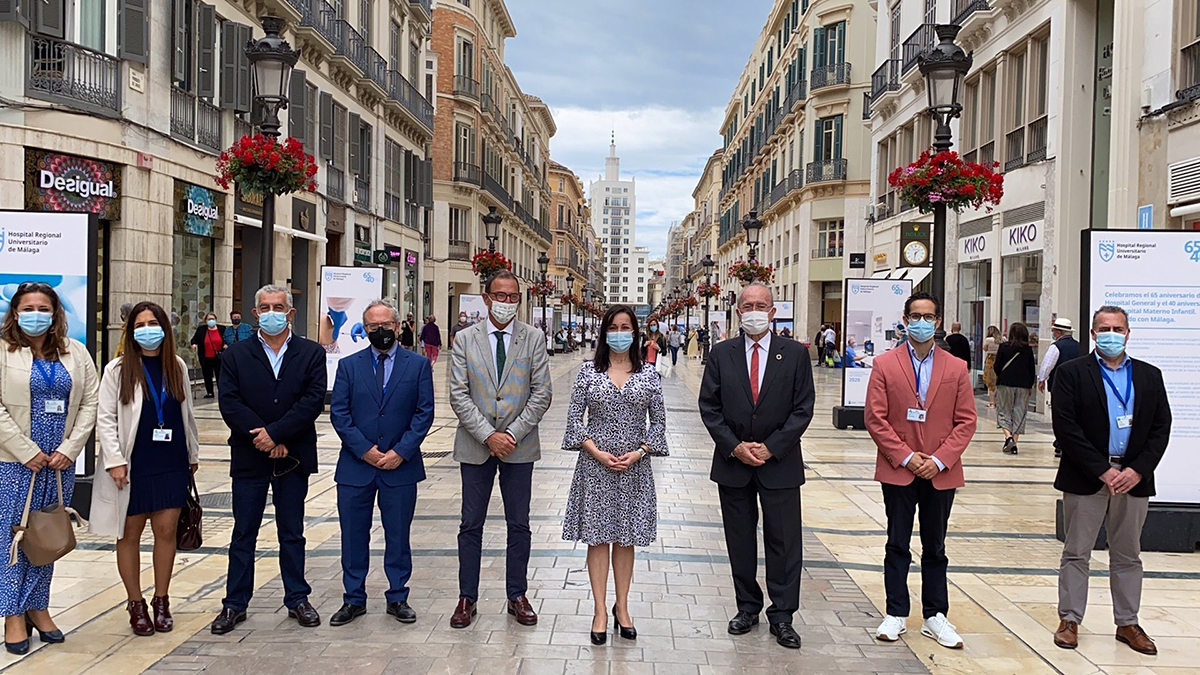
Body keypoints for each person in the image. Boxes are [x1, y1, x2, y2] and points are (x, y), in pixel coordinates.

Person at [698, 282, 815, 650]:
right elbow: (709, 407)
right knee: (740, 539)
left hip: (778, 464)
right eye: (747, 304)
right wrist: (734, 447)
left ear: (772, 311)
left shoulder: (794, 354)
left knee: (784, 542)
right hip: (734, 464)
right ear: (737, 311)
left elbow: (803, 409)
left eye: (761, 304)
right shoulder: (721, 354)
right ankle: (747, 606)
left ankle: (782, 615)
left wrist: (770, 448)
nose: (753, 310)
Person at [1051, 305, 1170, 655]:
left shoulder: (1150, 375)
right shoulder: (1073, 373)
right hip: (1087, 476)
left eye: (1118, 328)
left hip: (1133, 478)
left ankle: (1128, 623)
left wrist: (1137, 470)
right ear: (1092, 334)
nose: (1112, 334)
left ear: (1128, 333)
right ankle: (1070, 620)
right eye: (1105, 328)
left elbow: (1161, 428)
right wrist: (1102, 469)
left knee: (1128, 554)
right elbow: (1066, 428)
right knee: (1076, 552)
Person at [211, 285, 327, 635]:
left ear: (291, 313)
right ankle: (235, 604)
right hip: (250, 454)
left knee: (292, 531)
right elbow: (229, 402)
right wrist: (262, 435)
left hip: (293, 454)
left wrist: (278, 434)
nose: (272, 312)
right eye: (265, 307)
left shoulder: (310, 353)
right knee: (244, 532)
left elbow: (312, 400)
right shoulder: (235, 355)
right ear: (255, 313)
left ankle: (297, 598)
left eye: (279, 306)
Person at [865, 291, 976, 651]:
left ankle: (935, 616)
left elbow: (966, 421)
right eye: (916, 316)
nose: (922, 322)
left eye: (928, 316)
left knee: (936, 545)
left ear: (938, 321)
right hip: (900, 470)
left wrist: (939, 459)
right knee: (897, 542)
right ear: (905, 318)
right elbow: (875, 419)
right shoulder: (885, 364)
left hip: (941, 472)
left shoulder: (956, 367)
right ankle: (896, 612)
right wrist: (907, 456)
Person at [448, 271, 552, 629]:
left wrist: (511, 434)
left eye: (513, 297)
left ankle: (517, 595)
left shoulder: (534, 338)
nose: (507, 302)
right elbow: (458, 394)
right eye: (500, 295)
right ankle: (467, 597)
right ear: (486, 296)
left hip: (519, 448)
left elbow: (542, 393)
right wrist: (487, 435)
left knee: (519, 524)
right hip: (475, 446)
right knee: (470, 524)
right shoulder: (464, 339)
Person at [0, 282, 99, 654]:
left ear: (56, 312)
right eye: (28, 308)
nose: (35, 315)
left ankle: (38, 608)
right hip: (13, 463)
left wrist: (70, 449)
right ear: (15, 313)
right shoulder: (2, 349)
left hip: (58, 465)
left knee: (48, 536)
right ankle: (12, 615)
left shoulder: (75, 352)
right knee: (13, 539)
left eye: (43, 307)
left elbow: (90, 401)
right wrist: (26, 451)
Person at [92, 301, 200, 636]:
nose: (147, 330)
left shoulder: (176, 366)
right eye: (139, 325)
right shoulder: (118, 369)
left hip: (170, 462)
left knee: (166, 532)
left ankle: (162, 600)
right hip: (131, 464)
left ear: (165, 328)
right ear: (130, 331)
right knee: (129, 534)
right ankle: (135, 604)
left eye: (153, 323)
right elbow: (106, 419)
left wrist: (192, 454)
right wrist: (115, 461)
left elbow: (188, 415)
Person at [562, 306, 668, 645]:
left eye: (626, 326)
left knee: (626, 539)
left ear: (635, 331)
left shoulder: (650, 375)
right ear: (604, 332)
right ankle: (599, 609)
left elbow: (660, 423)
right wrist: (595, 451)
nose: (619, 332)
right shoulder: (587, 372)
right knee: (597, 539)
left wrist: (640, 452)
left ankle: (622, 607)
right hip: (596, 466)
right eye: (613, 326)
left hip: (634, 468)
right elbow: (575, 419)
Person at [328, 300, 434, 627]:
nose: (381, 331)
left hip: (400, 466)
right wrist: (365, 451)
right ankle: (353, 598)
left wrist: (401, 451)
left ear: (398, 325)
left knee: (398, 535)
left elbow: (423, 413)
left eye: (386, 325)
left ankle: (398, 596)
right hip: (356, 467)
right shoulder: (349, 365)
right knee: (353, 535)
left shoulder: (417, 365)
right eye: (373, 327)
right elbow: (339, 414)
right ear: (365, 328)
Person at [1038, 318, 1080, 459]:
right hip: (1077, 386)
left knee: (1060, 416)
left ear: (1058, 332)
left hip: (1059, 386)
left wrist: (1042, 379)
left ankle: (1060, 443)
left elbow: (1047, 365)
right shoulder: (1079, 346)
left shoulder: (1056, 347)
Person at [993, 323, 1036, 454]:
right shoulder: (1027, 349)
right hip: (1023, 385)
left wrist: (1001, 376)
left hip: (1005, 383)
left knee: (1003, 410)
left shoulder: (1003, 347)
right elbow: (1031, 370)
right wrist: (1030, 385)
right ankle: (1015, 443)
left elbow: (997, 366)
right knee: (1020, 413)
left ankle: (1008, 437)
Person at [190, 312, 225, 399]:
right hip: (205, 356)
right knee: (207, 375)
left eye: (213, 319)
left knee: (220, 375)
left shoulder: (222, 329)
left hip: (219, 356)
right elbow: (194, 339)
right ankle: (210, 392)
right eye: (209, 319)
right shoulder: (201, 330)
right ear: (205, 321)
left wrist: (225, 344)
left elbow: (227, 338)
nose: (211, 321)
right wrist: (194, 344)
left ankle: (222, 391)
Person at [982, 326, 1002, 408]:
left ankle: (992, 402)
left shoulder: (988, 340)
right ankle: (998, 402)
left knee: (990, 382)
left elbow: (985, 349)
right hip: (999, 360)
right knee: (997, 381)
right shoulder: (1002, 339)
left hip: (990, 361)